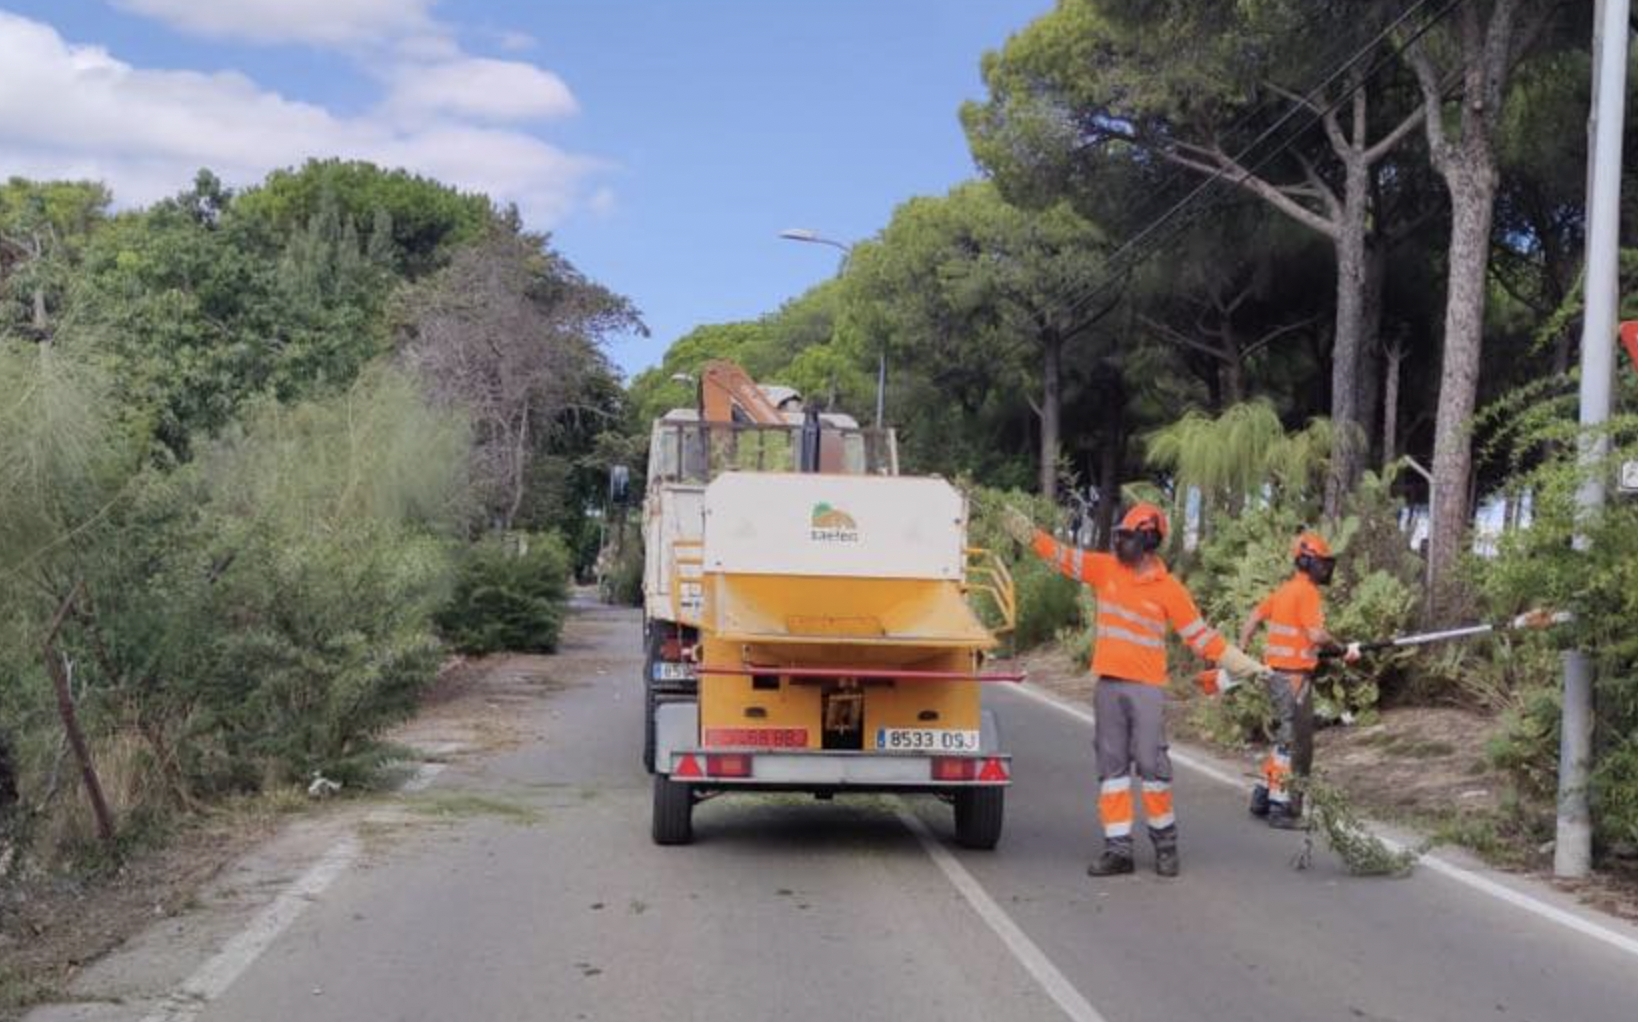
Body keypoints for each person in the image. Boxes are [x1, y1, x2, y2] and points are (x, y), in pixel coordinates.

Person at [1003, 503, 1267, 878]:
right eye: (1119, 535)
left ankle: (1166, 845)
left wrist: (1242, 664)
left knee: (1151, 764)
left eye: (1126, 536)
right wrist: (1027, 532)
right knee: (1111, 770)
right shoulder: (1105, 568)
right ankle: (1118, 850)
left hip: (1145, 689)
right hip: (1108, 685)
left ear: (1148, 540)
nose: (1118, 542)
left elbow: (1200, 637)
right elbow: (1062, 557)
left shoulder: (1168, 589)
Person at [1238, 531, 1360, 829]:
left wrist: (1240, 656)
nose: (1325, 569)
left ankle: (1263, 795)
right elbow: (1316, 635)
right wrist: (1343, 649)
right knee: (1292, 744)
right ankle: (1281, 808)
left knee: (1284, 738)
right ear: (1306, 562)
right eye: (1321, 562)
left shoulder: (1284, 591)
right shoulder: (1306, 592)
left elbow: (1253, 618)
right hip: (1294, 679)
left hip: (1275, 676)